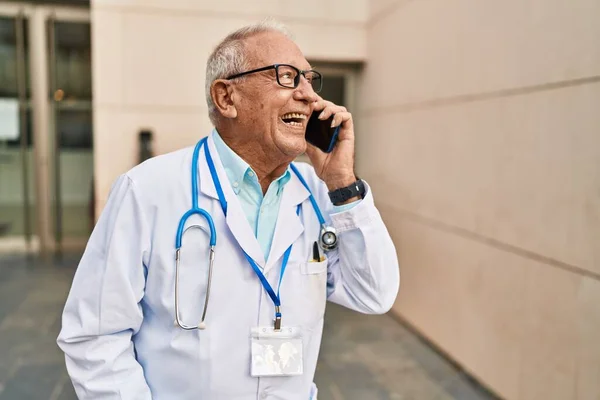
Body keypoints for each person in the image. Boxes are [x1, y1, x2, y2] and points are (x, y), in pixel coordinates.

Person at [57, 20, 400, 400]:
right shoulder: (148, 190)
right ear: (226, 98)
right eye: (288, 77)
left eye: (310, 79)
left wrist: (344, 184)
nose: (310, 96)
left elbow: (374, 293)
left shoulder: (321, 194)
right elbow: (96, 334)